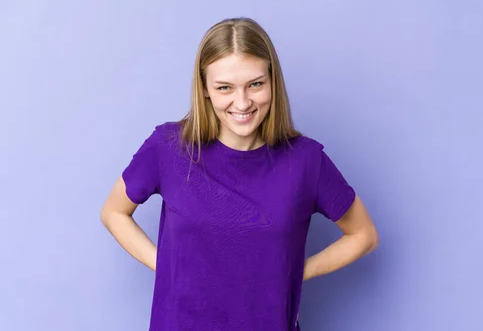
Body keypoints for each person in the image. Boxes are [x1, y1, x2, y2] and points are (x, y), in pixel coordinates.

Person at [100, 17, 379, 331]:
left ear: (273, 81)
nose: (242, 102)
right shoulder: (168, 148)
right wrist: (166, 266)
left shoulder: (306, 161)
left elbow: (364, 235)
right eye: (224, 88)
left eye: (256, 84)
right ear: (204, 89)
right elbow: (113, 212)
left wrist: (296, 271)